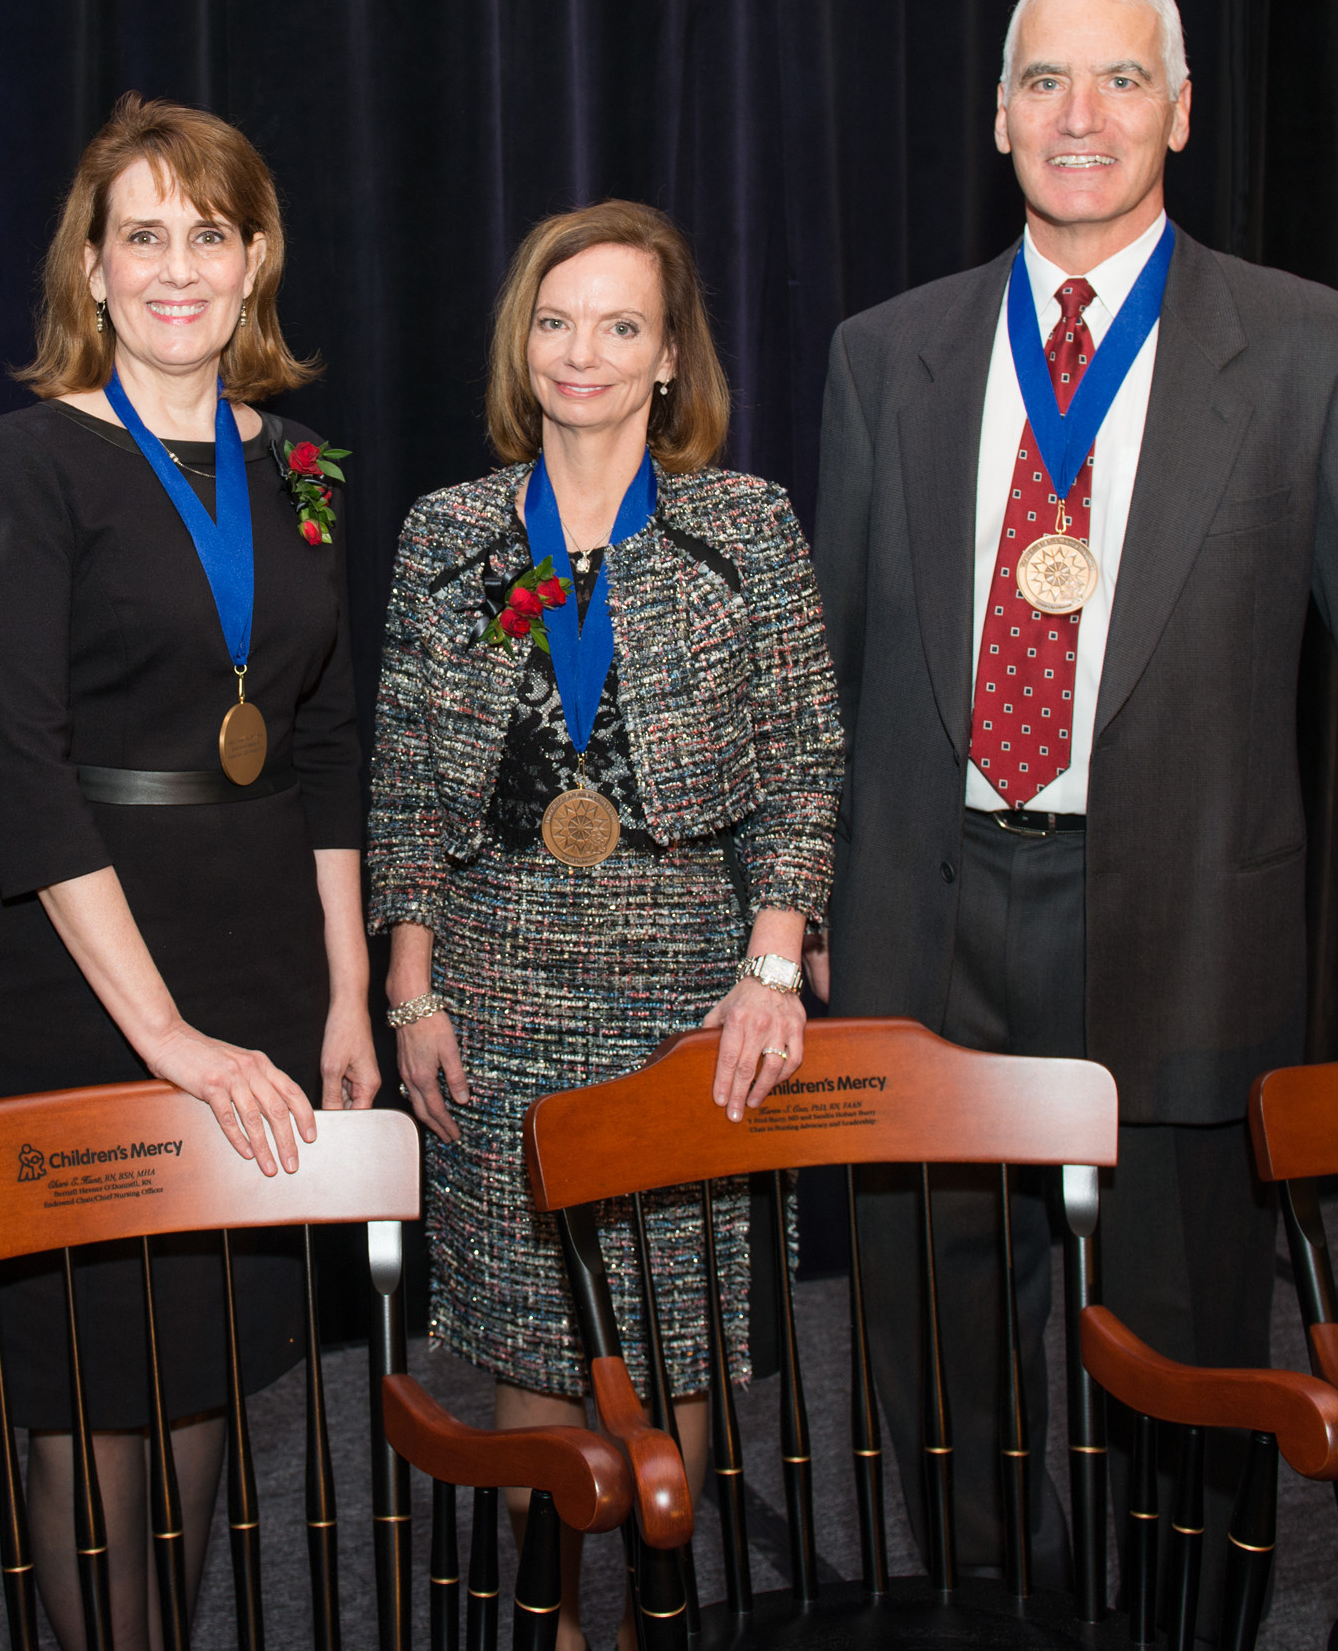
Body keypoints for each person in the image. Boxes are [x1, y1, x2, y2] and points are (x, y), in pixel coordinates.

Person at [815, 0, 1338, 1603]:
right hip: (923, 921)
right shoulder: (885, 355)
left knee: (1189, 1364)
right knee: (939, 1372)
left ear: (1181, 113)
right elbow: (837, 663)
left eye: (1122, 81)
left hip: (1185, 918)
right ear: (998, 118)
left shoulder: (1314, 351)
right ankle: (997, 1621)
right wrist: (797, 913)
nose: (1084, 117)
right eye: (1049, 83)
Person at [368, 200, 843, 1641]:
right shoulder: (449, 534)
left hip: (689, 998)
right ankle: (550, 1622)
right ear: (526, 341)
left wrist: (774, 970)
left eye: (620, 325)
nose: (584, 352)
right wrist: (409, 990)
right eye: (558, 320)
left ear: (668, 356)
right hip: (497, 993)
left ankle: (644, 1612)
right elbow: (401, 781)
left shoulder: (743, 525)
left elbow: (805, 761)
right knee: (530, 1335)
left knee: (674, 1336)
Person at [0, 93, 380, 1651]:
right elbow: (21, 769)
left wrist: (345, 992)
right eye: (144, 235)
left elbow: (329, 746)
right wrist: (168, 1040)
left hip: (265, 965)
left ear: (257, 259)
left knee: (206, 1367)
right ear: (95, 264)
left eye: (210, 233)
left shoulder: (313, 471)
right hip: (82, 983)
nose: (177, 267)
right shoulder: (27, 460)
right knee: (84, 1388)